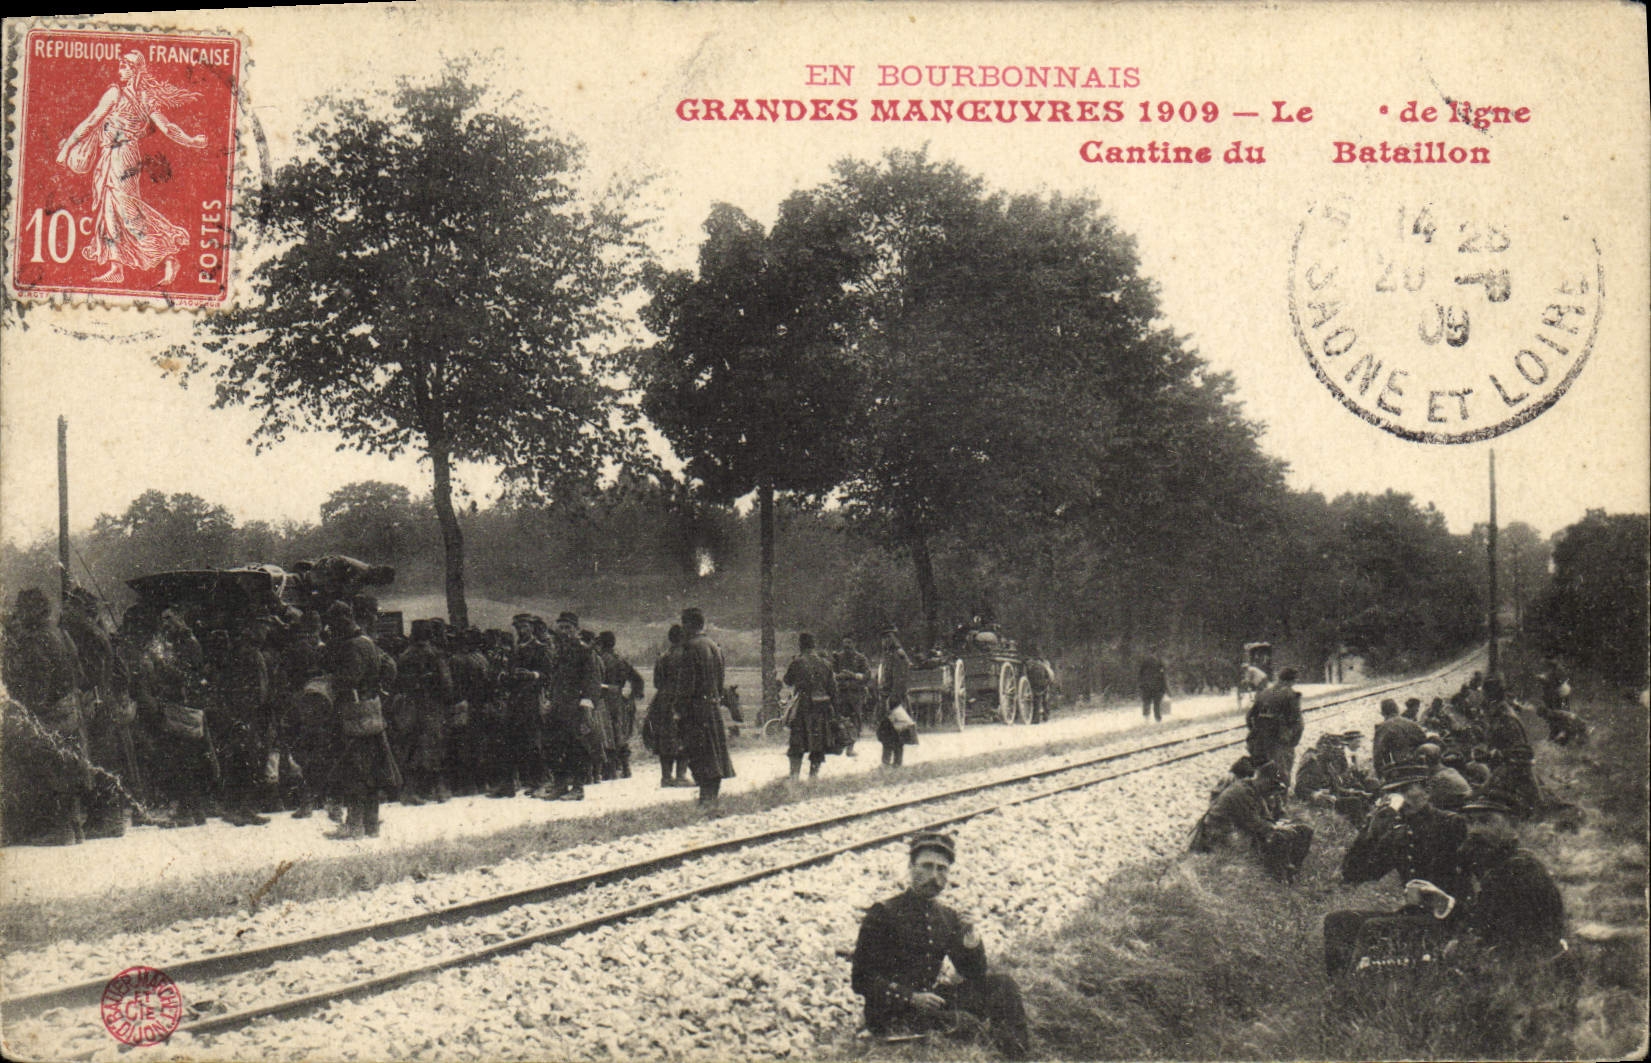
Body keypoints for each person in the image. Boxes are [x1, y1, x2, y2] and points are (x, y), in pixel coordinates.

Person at [852, 832, 1030, 1059]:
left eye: (941, 869)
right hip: (892, 1011)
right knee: (965, 1024)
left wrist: (970, 938)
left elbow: (973, 973)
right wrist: (911, 997)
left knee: (1002, 986)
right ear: (910, 867)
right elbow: (861, 979)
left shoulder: (947, 916)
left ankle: (1020, 1057)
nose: (934, 876)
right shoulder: (884, 912)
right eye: (926, 866)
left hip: (930, 1002)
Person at [53, 51, 207, 286]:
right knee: (109, 209)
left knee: (127, 210)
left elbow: (166, 128)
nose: (119, 71)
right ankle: (116, 267)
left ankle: (167, 256)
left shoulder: (131, 96)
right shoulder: (132, 95)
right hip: (113, 155)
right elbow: (93, 120)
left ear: (135, 70)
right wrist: (192, 140)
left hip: (122, 156)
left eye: (124, 66)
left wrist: (192, 141)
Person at [1323, 761, 1469, 977]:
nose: (1399, 799)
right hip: (1414, 916)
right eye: (1391, 793)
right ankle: (1340, 986)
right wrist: (1370, 832)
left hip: (1449, 917)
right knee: (1338, 921)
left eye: (1403, 790)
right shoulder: (1398, 833)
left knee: (1371, 927)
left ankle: (1355, 986)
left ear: (1427, 791)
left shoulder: (1451, 824)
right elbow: (1356, 874)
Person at [2, 588, 90, 844]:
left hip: (48, 712)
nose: (18, 613)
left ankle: (58, 830)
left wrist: (26, 709)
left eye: (21, 608)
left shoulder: (35, 639)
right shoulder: (59, 634)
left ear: (31, 610)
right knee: (66, 764)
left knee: (45, 765)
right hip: (69, 708)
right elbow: (79, 674)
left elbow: (38, 683)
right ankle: (73, 827)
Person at [321, 601, 401, 838]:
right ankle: (371, 824)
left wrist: (331, 679)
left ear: (342, 621)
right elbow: (390, 668)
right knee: (373, 770)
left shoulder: (351, 647)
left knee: (354, 770)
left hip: (353, 715)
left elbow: (347, 679)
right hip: (372, 712)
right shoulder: (368, 642)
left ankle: (354, 826)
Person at [1189, 760, 1313, 882]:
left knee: (1304, 830)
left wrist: (1283, 821)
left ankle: (1291, 870)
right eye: (1272, 785)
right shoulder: (1241, 792)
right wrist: (1276, 827)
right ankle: (1275, 875)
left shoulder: (1265, 790)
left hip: (1246, 829)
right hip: (1221, 833)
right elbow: (1253, 823)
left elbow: (1279, 812)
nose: (1274, 791)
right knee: (1278, 835)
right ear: (1261, 779)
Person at [678, 607, 735, 804]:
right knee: (714, 754)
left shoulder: (691, 647)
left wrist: (680, 711)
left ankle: (705, 799)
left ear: (687, 625)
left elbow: (687, 685)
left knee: (699, 754)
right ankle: (711, 797)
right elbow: (720, 682)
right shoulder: (714, 646)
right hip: (712, 706)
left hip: (695, 710)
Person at [544, 613, 602, 800]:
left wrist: (586, 704)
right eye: (561, 627)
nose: (564, 632)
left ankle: (578, 788)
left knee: (577, 747)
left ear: (576, 630)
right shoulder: (557, 652)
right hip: (557, 706)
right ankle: (560, 785)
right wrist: (549, 699)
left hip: (576, 708)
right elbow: (554, 679)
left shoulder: (585, 652)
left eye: (568, 628)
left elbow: (592, 680)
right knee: (554, 745)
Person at [492, 614, 550, 799]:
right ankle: (508, 784)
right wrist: (505, 677)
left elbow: (548, 674)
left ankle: (539, 782)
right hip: (514, 700)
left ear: (532, 628)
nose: (521, 630)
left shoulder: (541, 649)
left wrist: (533, 675)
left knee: (533, 742)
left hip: (531, 700)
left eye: (524, 627)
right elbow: (505, 673)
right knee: (507, 741)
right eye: (518, 627)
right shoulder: (514, 650)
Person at [395, 619, 453, 804]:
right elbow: (447, 685)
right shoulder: (436, 654)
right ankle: (438, 790)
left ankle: (412, 791)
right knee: (435, 745)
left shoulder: (405, 655)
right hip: (432, 706)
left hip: (411, 705)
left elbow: (399, 682)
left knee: (413, 746)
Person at [1478, 677, 1541, 818]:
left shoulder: (1506, 718)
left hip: (1517, 770)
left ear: (1490, 696)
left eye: (1485, 694)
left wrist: (1497, 756)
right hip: (1511, 767)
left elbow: (1521, 751)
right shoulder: (1499, 713)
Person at [783, 632, 841, 781]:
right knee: (818, 743)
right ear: (814, 645)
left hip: (804, 706)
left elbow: (787, 680)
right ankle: (813, 777)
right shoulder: (826, 663)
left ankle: (794, 777)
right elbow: (833, 689)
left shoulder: (798, 662)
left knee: (797, 742)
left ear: (801, 645)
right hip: (822, 707)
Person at [644, 625, 692, 788]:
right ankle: (681, 776)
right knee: (684, 736)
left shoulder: (663, 657)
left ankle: (666, 777)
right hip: (682, 699)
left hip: (662, 701)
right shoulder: (688, 656)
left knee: (665, 738)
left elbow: (657, 683)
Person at [596, 631, 644, 780]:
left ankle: (609, 770)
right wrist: (632, 696)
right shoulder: (621, 659)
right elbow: (638, 679)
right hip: (619, 698)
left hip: (604, 698)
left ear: (601, 644)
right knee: (619, 732)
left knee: (605, 732)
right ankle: (625, 767)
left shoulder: (600, 659)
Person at [1245, 666, 1303, 781]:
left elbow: (1249, 717)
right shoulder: (1290, 695)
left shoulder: (1263, 693)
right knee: (1281, 777)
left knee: (1263, 776)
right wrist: (1292, 742)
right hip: (1280, 744)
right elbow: (1298, 724)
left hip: (1260, 743)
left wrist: (1256, 731)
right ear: (1291, 681)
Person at [875, 629, 917, 767]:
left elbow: (899, 680)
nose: (884, 642)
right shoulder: (888, 656)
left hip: (894, 699)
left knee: (897, 732)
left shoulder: (897, 656)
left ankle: (897, 762)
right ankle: (886, 762)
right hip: (886, 698)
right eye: (882, 639)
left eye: (887, 638)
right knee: (886, 732)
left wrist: (893, 699)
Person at [832, 636, 873, 758]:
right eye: (845, 643)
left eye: (849, 642)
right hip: (841, 693)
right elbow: (831, 674)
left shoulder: (861, 658)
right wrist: (841, 676)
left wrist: (854, 675)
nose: (847, 646)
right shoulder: (837, 658)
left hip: (856, 694)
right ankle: (840, 747)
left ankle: (851, 748)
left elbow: (867, 675)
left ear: (854, 643)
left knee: (855, 720)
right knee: (841, 720)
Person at [1372, 697, 1428, 781]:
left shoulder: (1381, 728)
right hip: (1419, 766)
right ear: (1397, 710)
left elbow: (1377, 756)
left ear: (1383, 713)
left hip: (1399, 769)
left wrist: (1380, 776)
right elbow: (1425, 741)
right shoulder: (1411, 723)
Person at [1138, 651, 1168, 722]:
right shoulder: (1159, 661)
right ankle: (1158, 719)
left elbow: (1140, 674)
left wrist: (1141, 685)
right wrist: (1165, 688)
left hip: (1146, 685)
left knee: (1146, 702)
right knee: (1157, 704)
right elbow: (1163, 675)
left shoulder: (1144, 662)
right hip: (1157, 686)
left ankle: (1146, 720)